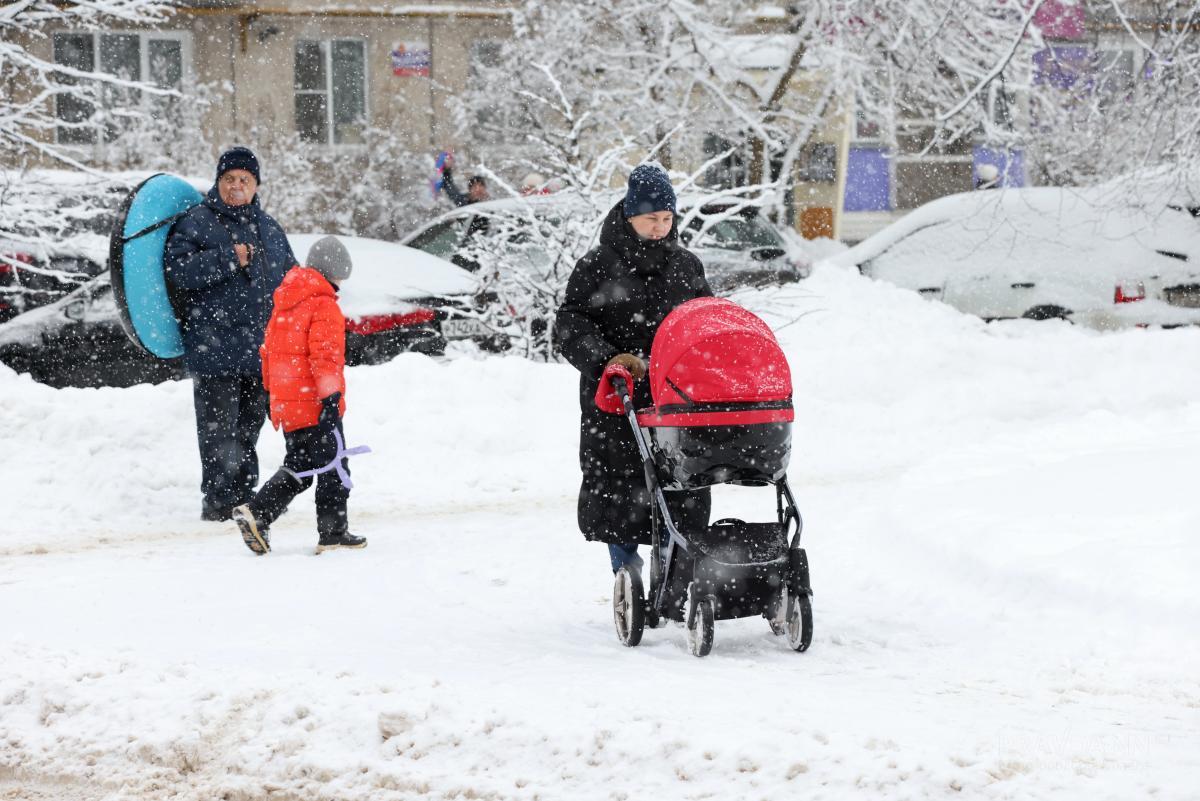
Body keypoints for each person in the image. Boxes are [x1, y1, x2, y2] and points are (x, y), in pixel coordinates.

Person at [554, 163, 713, 574]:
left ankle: (673, 568)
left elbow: (704, 320)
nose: (660, 227)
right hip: (615, 396)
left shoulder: (686, 265)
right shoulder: (597, 265)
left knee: (680, 482)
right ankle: (626, 568)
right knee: (620, 488)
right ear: (629, 216)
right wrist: (606, 359)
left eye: (666, 218)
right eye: (650, 219)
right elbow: (571, 325)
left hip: (674, 396)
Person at [166, 146, 295, 522]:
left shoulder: (269, 228)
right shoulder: (196, 222)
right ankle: (219, 502)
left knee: (248, 428)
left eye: (244, 180)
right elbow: (180, 271)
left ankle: (244, 496)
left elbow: (289, 276)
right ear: (218, 182)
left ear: (256, 185)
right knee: (218, 432)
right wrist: (229, 258)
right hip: (215, 348)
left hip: (259, 351)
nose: (236, 187)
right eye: (229, 179)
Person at [232, 236, 366, 556]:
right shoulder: (324, 304)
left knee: (302, 465)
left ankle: (258, 513)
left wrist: (271, 394)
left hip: (287, 402)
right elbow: (325, 358)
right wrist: (331, 399)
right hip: (316, 402)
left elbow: (268, 354)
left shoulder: (285, 302)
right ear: (333, 272)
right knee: (334, 467)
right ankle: (333, 534)